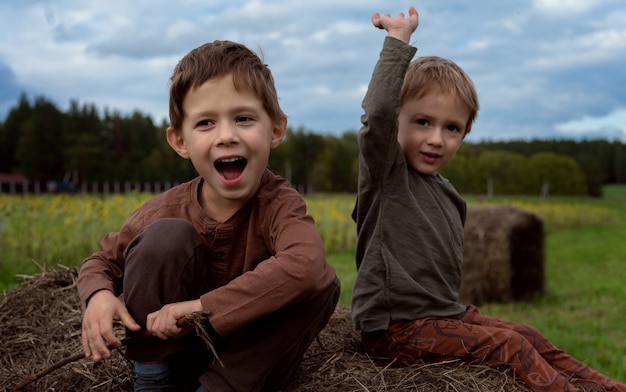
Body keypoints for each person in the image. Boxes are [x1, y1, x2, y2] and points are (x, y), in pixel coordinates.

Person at [351, 6, 626, 392]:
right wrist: (397, 40)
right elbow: (377, 112)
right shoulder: (387, 175)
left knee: (529, 334)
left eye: (452, 128)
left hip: (443, 315)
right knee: (510, 346)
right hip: (396, 329)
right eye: (422, 122)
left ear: (463, 135)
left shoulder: (448, 194)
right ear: (398, 119)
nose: (436, 139)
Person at [78, 40, 340, 392]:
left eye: (244, 118)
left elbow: (305, 264)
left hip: (245, 364)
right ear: (180, 141)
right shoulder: (164, 209)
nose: (227, 136)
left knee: (321, 282)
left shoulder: (280, 204)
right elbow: (102, 262)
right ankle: (152, 380)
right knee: (164, 238)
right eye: (205, 123)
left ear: (276, 129)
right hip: (174, 351)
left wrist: (200, 308)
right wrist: (97, 297)